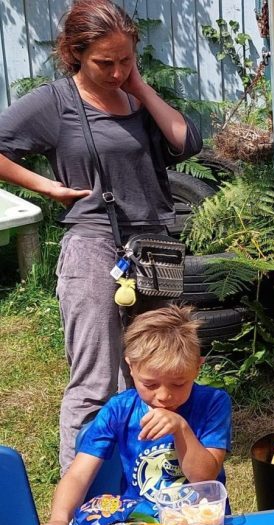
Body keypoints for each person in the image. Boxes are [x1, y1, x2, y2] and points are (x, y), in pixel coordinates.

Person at [0, 0, 203, 474]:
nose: (115, 72)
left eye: (125, 60)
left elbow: (186, 142)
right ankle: (80, 495)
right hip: (94, 245)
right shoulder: (56, 102)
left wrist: (140, 86)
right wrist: (46, 186)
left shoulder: (136, 100)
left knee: (159, 371)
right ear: (74, 53)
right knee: (95, 378)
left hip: (155, 248)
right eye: (104, 62)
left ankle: (152, 475)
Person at [23, 305, 232, 525]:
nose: (164, 396)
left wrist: (181, 429)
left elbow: (205, 476)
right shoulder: (120, 410)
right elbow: (79, 474)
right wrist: (59, 518)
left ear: (198, 367)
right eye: (150, 384)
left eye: (178, 383)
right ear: (130, 367)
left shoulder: (213, 403)